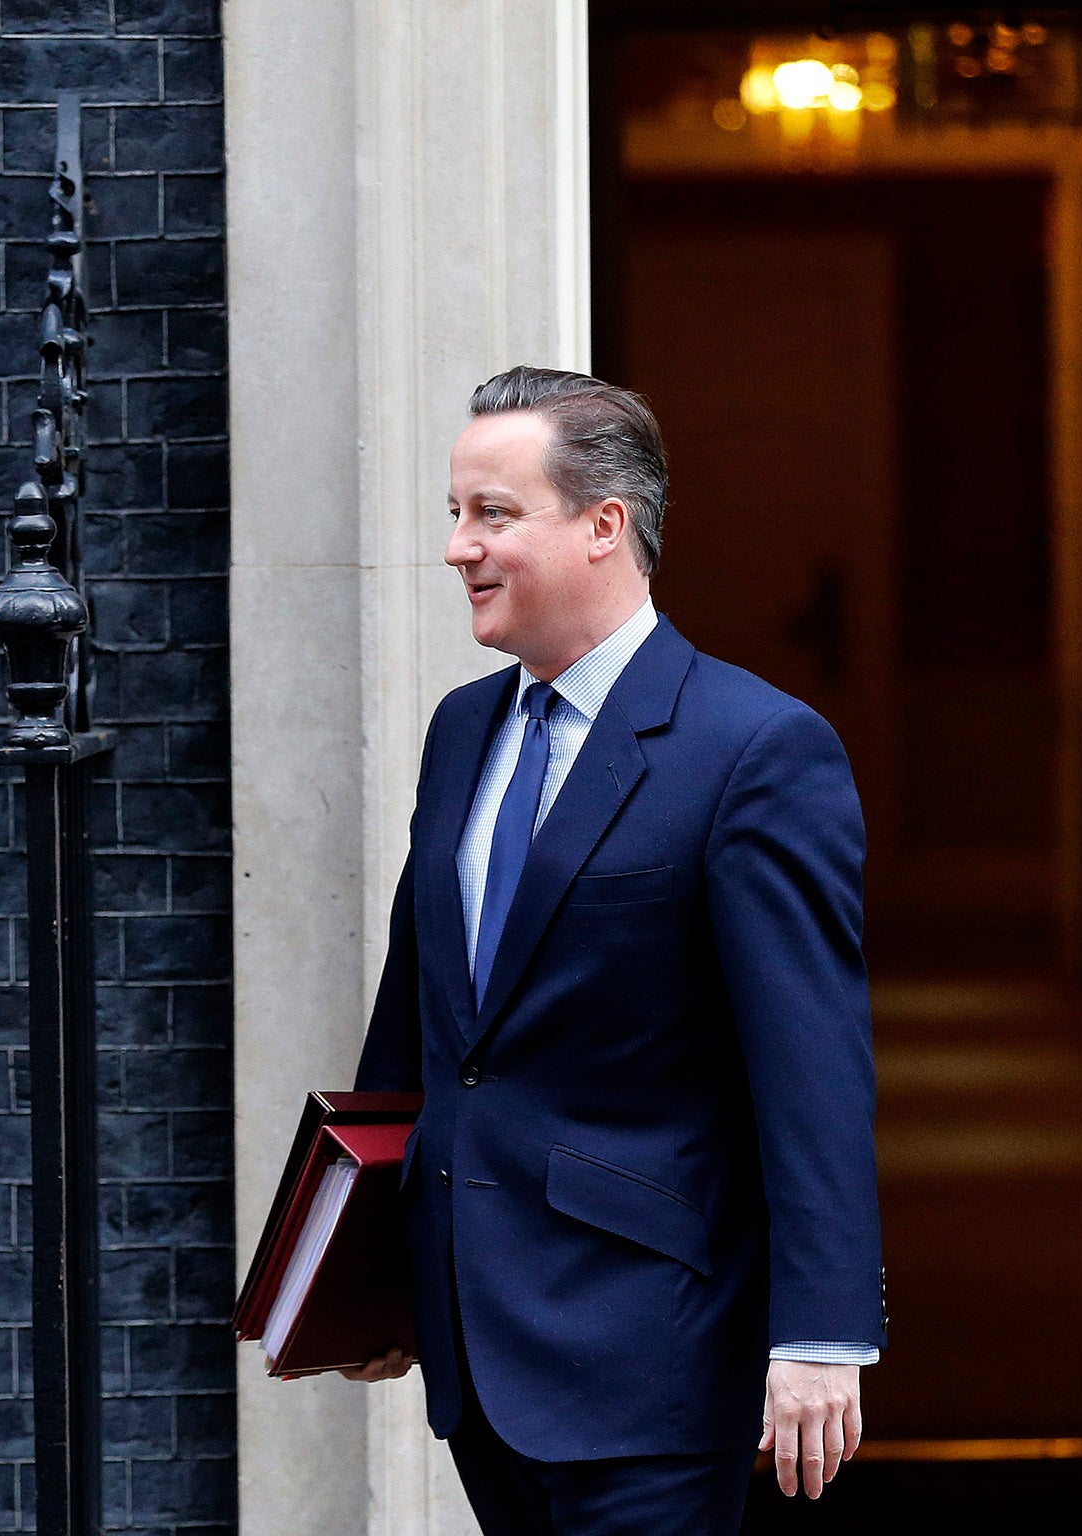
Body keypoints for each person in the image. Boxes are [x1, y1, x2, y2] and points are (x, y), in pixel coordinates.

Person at [342, 366, 886, 1535]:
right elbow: (418, 1021)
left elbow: (812, 1066)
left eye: (492, 514)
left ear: (603, 526)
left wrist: (821, 1334)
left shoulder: (754, 749)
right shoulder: (461, 731)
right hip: (473, 1342)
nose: (456, 548)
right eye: (453, 514)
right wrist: (363, 1273)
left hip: (650, 1348)